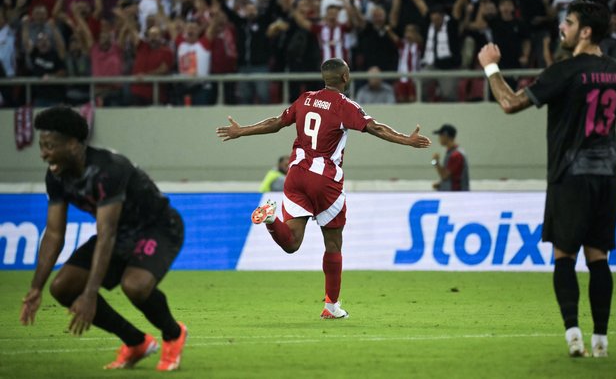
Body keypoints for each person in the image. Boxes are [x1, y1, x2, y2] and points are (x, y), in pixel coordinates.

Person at [477, 0, 616, 358]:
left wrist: (491, 69)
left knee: (564, 256)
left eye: (568, 22)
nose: (561, 28)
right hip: (606, 177)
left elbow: (510, 103)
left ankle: (574, 336)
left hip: (570, 174)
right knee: (599, 258)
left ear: (585, 31)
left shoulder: (565, 70)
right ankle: (602, 341)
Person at [216, 58, 431, 319]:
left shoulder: (305, 98)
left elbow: (276, 122)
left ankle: (271, 219)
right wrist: (405, 140)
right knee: (333, 243)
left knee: (292, 243)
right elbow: (374, 127)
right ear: (344, 78)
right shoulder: (344, 105)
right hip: (324, 180)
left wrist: (242, 131)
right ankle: (331, 306)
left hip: (295, 174)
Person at [20, 106, 188, 371]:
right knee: (62, 287)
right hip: (120, 233)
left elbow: (107, 234)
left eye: (49, 146)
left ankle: (173, 334)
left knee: (135, 286)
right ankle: (136, 342)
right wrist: (36, 287)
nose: (43, 154)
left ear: (74, 144)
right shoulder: (56, 176)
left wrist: (90, 294)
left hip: (157, 227)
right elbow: (54, 233)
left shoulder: (109, 169)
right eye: (42, 146)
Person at [431, 124, 469, 191]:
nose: (439, 138)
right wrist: (441, 184)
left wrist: (436, 162)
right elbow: (452, 177)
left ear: (446, 136)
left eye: (440, 135)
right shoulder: (452, 153)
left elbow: (445, 176)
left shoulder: (456, 155)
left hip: (456, 196)